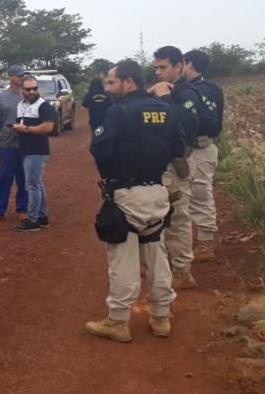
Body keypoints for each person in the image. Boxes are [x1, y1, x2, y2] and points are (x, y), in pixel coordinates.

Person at [86, 60, 184, 342]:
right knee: (156, 254)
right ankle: (161, 318)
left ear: (128, 82)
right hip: (156, 190)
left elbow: (99, 148)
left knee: (122, 259)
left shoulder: (119, 112)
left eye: (112, 82)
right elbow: (178, 148)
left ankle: (118, 321)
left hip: (126, 194)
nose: (108, 87)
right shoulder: (167, 110)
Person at [148, 46, 201, 289]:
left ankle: (182, 272)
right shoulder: (164, 91)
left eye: (163, 67)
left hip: (176, 165)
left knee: (178, 218)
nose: (158, 72)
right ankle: (168, 265)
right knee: (162, 217)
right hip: (160, 164)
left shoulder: (186, 93)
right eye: (156, 67)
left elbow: (184, 127)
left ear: (179, 66)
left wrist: (164, 98)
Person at [182, 49, 225, 262]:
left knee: (200, 192)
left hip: (201, 148)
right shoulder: (213, 88)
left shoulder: (197, 90)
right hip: (204, 146)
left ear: (188, 64)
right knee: (193, 192)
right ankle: (197, 239)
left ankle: (206, 242)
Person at [12, 75, 57, 232]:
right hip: (26, 149)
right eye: (28, 89)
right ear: (22, 90)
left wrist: (25, 129)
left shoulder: (43, 106)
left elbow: (48, 127)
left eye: (35, 88)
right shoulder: (21, 105)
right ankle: (42, 216)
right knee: (37, 184)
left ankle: (33, 219)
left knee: (32, 185)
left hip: (37, 151)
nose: (32, 91)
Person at [0, 64, 29, 223]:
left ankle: (23, 208)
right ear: (11, 77)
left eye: (22, 75)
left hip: (25, 143)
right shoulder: (1, 98)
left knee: (24, 178)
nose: (21, 78)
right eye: (18, 75)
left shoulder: (29, 95)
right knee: (4, 177)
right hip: (6, 144)